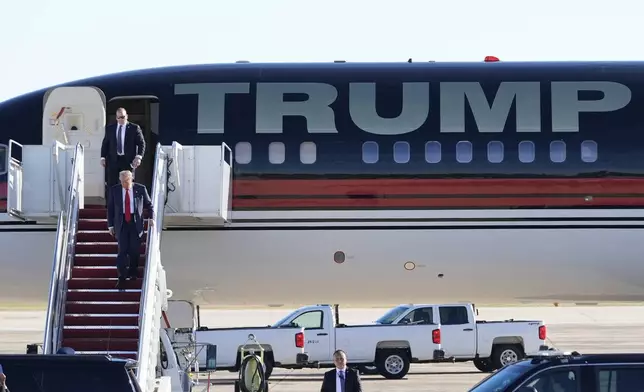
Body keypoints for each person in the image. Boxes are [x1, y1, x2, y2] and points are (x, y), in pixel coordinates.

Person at [107, 170, 154, 289]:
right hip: (121, 223)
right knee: (122, 251)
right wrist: (111, 225)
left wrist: (151, 218)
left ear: (131, 179)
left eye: (126, 181)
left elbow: (149, 205)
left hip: (135, 222)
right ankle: (121, 277)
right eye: (122, 181)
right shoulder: (115, 190)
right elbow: (111, 209)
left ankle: (133, 272)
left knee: (134, 249)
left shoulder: (140, 189)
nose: (124, 184)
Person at [101, 107, 146, 202]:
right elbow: (105, 143)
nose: (121, 119)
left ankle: (128, 204)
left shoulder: (134, 128)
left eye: (123, 117)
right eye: (119, 118)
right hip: (113, 159)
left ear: (127, 116)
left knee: (127, 183)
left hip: (127, 160)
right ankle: (111, 205)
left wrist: (138, 157)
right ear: (116, 118)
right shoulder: (110, 128)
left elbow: (141, 143)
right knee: (111, 184)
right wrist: (102, 157)